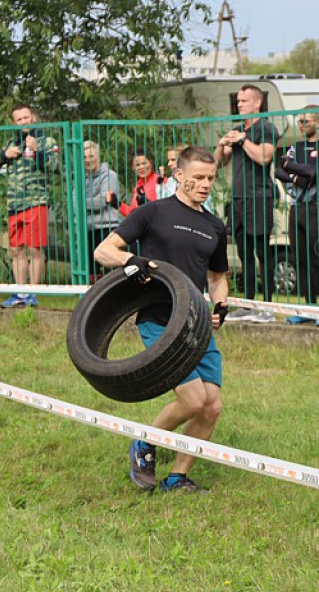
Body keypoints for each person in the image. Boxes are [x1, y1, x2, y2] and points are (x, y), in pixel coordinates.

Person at [94, 145, 229, 494]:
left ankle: (177, 477)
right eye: (198, 177)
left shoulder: (214, 226)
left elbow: (217, 277)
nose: (205, 184)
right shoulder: (152, 212)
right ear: (179, 176)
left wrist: (220, 304)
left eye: (211, 178)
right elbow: (103, 250)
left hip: (197, 325)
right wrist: (130, 260)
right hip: (159, 318)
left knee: (211, 406)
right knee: (193, 399)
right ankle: (144, 443)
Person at [0, 103, 60, 308]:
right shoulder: (12, 143)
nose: (23, 122)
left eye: (26, 118)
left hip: (36, 202)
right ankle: (20, 293)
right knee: (16, 251)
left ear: (33, 118)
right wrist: (5, 155)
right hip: (14, 204)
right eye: (19, 119)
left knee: (35, 250)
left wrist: (37, 151)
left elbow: (55, 166)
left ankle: (33, 293)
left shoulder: (46, 141)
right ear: (14, 123)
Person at [215, 84, 279, 304]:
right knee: (244, 254)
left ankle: (267, 304)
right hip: (238, 199)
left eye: (244, 101)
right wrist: (221, 144)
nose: (239, 105)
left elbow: (264, 157)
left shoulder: (266, 127)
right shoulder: (237, 129)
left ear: (257, 103)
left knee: (262, 252)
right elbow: (218, 163)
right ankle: (249, 302)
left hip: (259, 197)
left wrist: (243, 140)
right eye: (238, 101)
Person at [275, 106, 319, 324]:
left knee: (317, 258)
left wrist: (292, 167)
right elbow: (279, 170)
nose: (300, 125)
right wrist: (296, 175)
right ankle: (309, 307)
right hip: (296, 208)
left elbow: (314, 172)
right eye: (299, 121)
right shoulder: (296, 147)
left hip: (318, 207)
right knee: (300, 259)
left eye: (305, 121)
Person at [82, 141, 121, 281]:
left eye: (91, 156)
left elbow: (103, 201)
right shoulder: (81, 178)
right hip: (88, 228)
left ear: (98, 156)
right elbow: (75, 202)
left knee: (111, 268)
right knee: (90, 269)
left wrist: (83, 201)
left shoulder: (110, 175)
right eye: (84, 157)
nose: (88, 160)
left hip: (107, 226)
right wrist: (93, 200)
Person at [112, 149, 159, 217]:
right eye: (137, 165)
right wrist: (116, 204)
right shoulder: (138, 185)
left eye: (144, 163)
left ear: (151, 163)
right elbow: (133, 214)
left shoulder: (160, 181)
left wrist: (147, 205)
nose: (141, 167)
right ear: (133, 167)